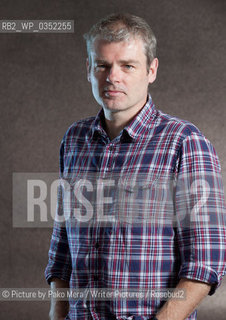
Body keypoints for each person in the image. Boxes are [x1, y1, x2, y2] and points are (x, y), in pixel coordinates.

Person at [45, 13, 226, 320]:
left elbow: (205, 263)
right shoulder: (75, 139)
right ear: (89, 69)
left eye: (127, 65)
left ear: (151, 70)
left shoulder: (184, 142)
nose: (113, 76)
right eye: (102, 65)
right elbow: (62, 248)